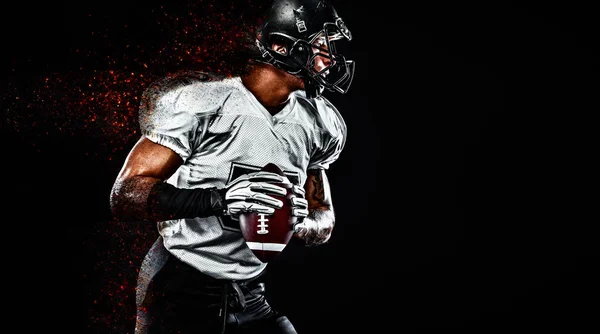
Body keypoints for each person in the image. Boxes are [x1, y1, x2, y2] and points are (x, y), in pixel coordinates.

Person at [109, 0, 355, 333]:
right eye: (320, 47)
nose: (328, 60)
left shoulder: (321, 121)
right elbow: (125, 194)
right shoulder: (202, 103)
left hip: (251, 292)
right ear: (280, 46)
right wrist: (221, 200)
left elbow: (322, 216)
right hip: (180, 286)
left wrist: (299, 220)